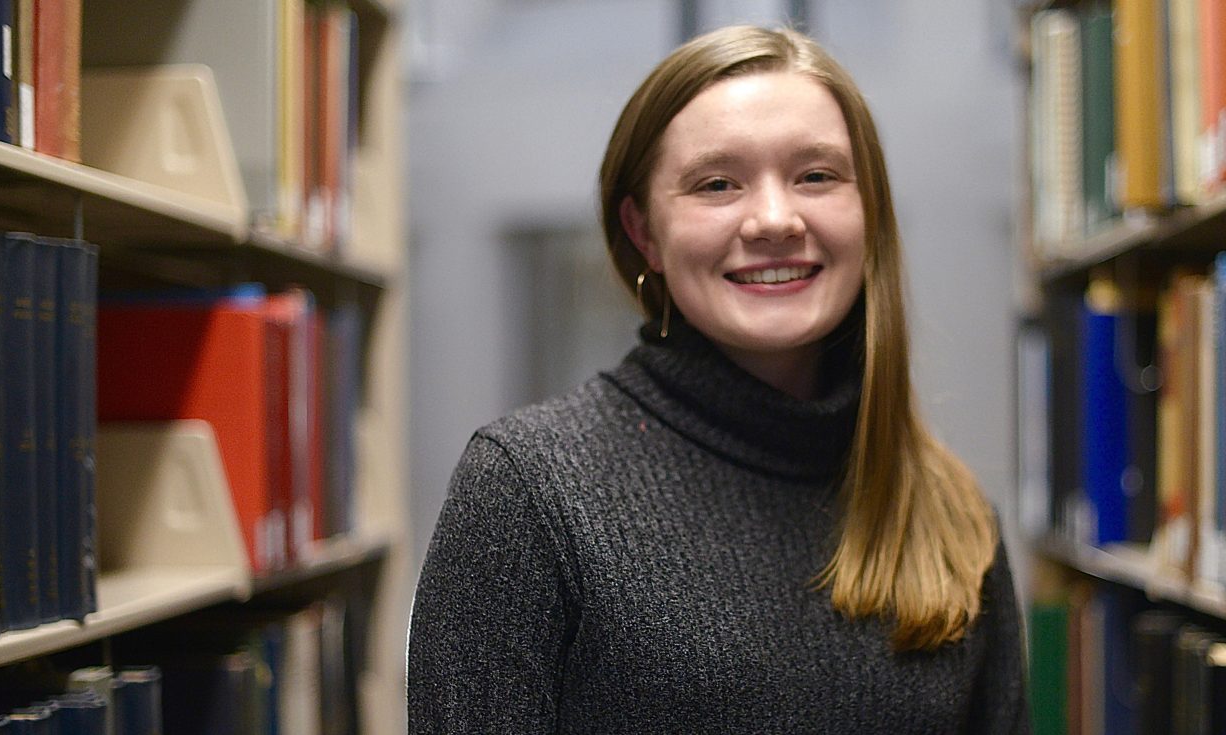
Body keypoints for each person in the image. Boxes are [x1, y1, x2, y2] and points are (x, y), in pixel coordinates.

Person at [408, 24, 1028, 734]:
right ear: (645, 234)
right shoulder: (528, 490)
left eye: (816, 175)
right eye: (717, 183)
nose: (773, 219)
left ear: (871, 213)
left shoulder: (952, 512)